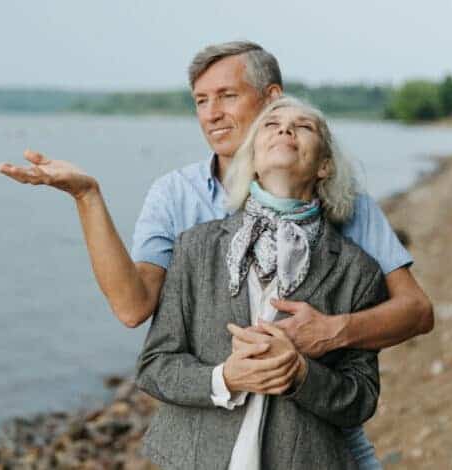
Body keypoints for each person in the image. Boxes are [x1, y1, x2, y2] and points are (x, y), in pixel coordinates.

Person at [0, 41, 434, 469]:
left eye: (227, 96)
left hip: (318, 440)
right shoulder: (182, 208)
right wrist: (87, 197)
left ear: (271, 99)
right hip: (204, 442)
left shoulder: (346, 213)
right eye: (201, 101)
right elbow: (135, 312)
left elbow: (415, 311)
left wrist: (329, 333)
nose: (211, 114)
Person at [137, 96, 386, 470]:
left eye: (303, 126)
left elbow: (362, 399)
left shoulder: (358, 271)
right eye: (271, 125)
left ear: (324, 166)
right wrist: (224, 377)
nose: (285, 129)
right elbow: (154, 367)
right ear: (251, 160)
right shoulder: (196, 247)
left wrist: (302, 374)